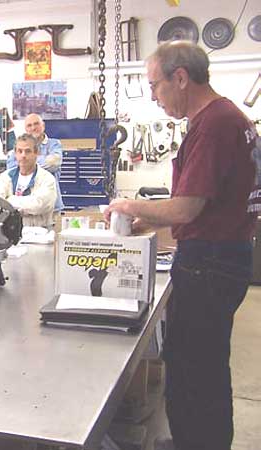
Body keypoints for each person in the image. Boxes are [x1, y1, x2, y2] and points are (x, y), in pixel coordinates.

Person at [103, 41, 259, 450]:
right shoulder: (226, 118)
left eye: (155, 86)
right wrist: (150, 218)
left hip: (209, 267)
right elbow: (209, 207)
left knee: (196, 372)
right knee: (198, 365)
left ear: (181, 78)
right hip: (221, 258)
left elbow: (189, 208)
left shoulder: (214, 124)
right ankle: (192, 440)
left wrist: (128, 204)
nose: (154, 97)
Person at [0, 134, 57, 227]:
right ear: (15, 153)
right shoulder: (6, 177)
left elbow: (38, 205)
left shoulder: (47, 179)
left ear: (36, 153)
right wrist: (26, 203)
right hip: (10, 234)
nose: (23, 155)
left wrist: (10, 200)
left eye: (28, 151)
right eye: (20, 151)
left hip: (39, 234)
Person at [6, 113, 64, 211]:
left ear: (43, 126)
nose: (33, 128)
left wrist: (25, 163)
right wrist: (42, 160)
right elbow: (11, 169)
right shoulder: (18, 145)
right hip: (25, 207)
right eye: (29, 125)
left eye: (36, 124)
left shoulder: (54, 144)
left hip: (51, 207)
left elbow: (53, 163)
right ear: (26, 129)